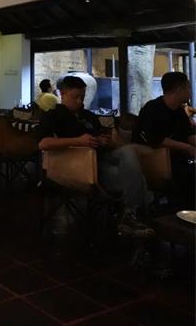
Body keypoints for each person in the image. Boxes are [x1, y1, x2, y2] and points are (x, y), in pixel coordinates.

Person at [37, 75, 153, 237]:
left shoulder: (89, 116)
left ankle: (131, 215)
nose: (80, 101)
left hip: (100, 157)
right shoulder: (53, 115)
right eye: (75, 97)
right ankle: (134, 216)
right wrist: (78, 141)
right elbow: (44, 143)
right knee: (135, 179)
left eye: (82, 97)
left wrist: (105, 141)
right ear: (62, 94)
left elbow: (103, 137)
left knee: (129, 152)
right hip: (76, 164)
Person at [133, 71, 196, 207]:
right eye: (188, 87)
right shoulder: (152, 108)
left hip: (179, 159)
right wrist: (188, 148)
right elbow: (156, 139)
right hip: (156, 160)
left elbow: (189, 136)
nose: (190, 91)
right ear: (179, 89)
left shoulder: (179, 111)